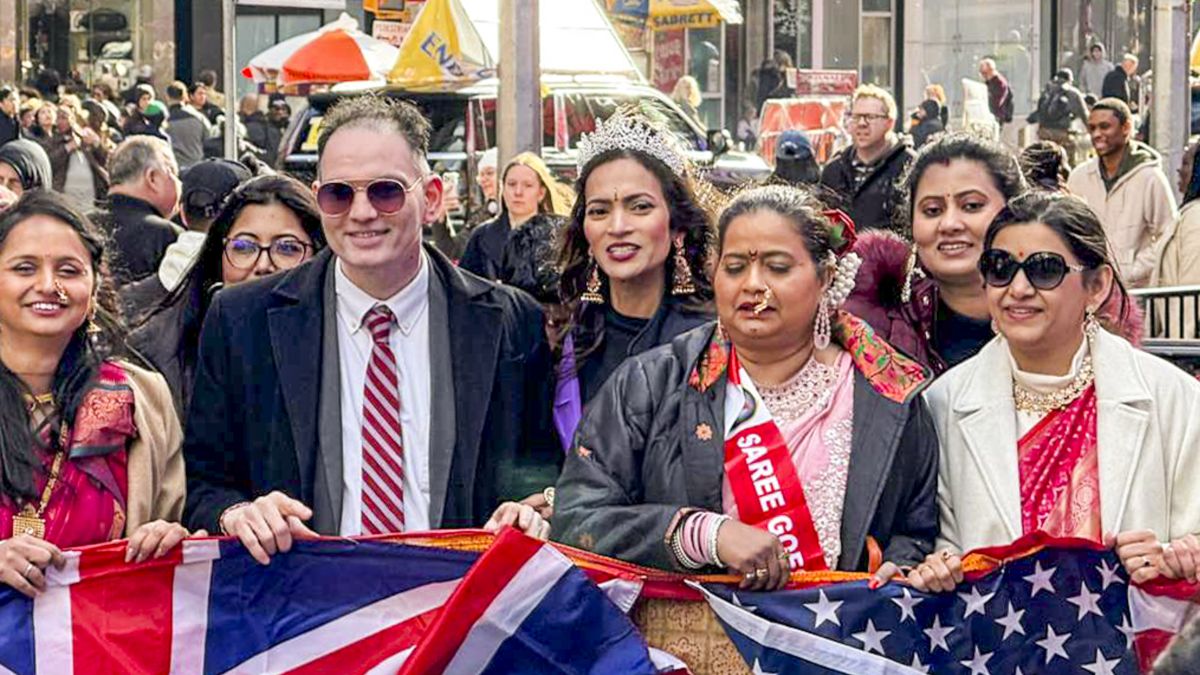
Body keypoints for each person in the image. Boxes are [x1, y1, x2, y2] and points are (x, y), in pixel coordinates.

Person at [182, 95, 557, 563]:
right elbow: (202, 482)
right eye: (339, 194)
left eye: (385, 191)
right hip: (307, 617)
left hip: (460, 612)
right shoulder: (242, 320)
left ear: (432, 198)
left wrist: (532, 509)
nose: (361, 212)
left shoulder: (508, 321)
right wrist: (237, 513)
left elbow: (539, 473)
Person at [553, 184, 938, 589]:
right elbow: (577, 520)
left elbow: (915, 529)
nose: (753, 285)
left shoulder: (888, 392)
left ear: (824, 278)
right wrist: (700, 535)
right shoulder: (651, 383)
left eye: (778, 267)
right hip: (686, 644)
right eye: (736, 267)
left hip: (840, 641)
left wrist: (901, 569)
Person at [913, 191, 1200, 592]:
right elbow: (932, 544)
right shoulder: (941, 405)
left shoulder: (1175, 400)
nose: (1018, 288)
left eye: (1044, 270)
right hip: (993, 649)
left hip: (1135, 648)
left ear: (1096, 286)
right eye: (1000, 268)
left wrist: (1179, 556)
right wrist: (935, 569)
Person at [0, 191, 192, 598]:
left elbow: (176, 519)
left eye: (69, 270)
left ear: (94, 283)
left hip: (100, 647)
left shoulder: (141, 396)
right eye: (24, 268)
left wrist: (170, 537)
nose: (48, 286)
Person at [549, 108, 715, 454]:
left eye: (639, 206)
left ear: (677, 227)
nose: (618, 226)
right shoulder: (566, 339)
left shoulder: (711, 339)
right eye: (599, 211)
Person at [127, 174, 322, 411]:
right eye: (243, 247)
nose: (263, 265)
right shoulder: (156, 353)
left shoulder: (342, 343)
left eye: (287, 248)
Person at [845, 133, 1026, 374]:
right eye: (932, 210)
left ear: (1014, 212)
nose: (950, 224)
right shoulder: (871, 331)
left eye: (971, 206)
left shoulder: (1059, 312)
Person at [1067, 98, 1178, 288]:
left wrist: (1133, 270)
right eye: (1092, 128)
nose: (1097, 134)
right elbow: (1069, 229)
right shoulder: (1079, 177)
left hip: (1134, 294)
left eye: (1104, 127)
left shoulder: (1150, 177)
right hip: (1090, 290)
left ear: (1126, 128)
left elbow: (1168, 234)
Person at [459, 152, 570, 304]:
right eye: (511, 184)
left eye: (528, 185)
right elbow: (464, 289)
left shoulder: (557, 235)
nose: (518, 192)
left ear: (541, 192)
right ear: (502, 188)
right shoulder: (482, 235)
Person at [820, 84, 915, 234]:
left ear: (889, 123)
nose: (862, 124)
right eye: (856, 117)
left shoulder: (909, 166)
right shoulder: (834, 170)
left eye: (870, 117)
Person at [90, 135, 182, 285]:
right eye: (173, 173)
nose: (179, 183)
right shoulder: (166, 236)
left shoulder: (80, 225)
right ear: (152, 178)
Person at [1153, 141, 1200, 337]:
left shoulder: (1197, 217)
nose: (1179, 170)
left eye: (1187, 163)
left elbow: (1192, 290)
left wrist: (1182, 348)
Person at [43, 103, 109, 208]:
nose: (60, 121)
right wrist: (67, 148)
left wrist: (96, 143)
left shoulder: (84, 136)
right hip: (64, 196)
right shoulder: (50, 140)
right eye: (58, 118)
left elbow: (104, 159)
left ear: (72, 119)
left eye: (64, 118)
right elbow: (48, 163)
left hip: (91, 196)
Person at [1027, 68, 1088, 166]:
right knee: (1066, 160)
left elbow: (1040, 110)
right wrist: (1091, 130)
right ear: (1070, 80)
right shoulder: (1073, 93)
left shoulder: (1047, 90)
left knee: (1045, 159)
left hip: (1044, 131)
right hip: (1062, 132)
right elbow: (1085, 115)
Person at [164, 81, 212, 170]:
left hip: (173, 168)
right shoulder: (199, 118)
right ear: (185, 96)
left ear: (167, 97)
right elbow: (209, 139)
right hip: (196, 166)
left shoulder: (163, 120)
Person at [979, 58, 1014, 144]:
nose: (983, 75)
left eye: (984, 73)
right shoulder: (989, 81)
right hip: (989, 116)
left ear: (990, 70)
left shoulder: (999, 83)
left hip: (996, 117)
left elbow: (997, 102)